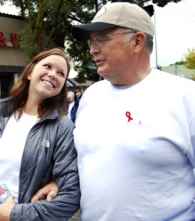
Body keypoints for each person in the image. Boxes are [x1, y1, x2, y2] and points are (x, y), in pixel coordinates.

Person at [72, 2, 195, 221]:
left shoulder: (186, 96)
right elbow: (85, 164)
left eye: (101, 38)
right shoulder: (91, 96)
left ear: (137, 41)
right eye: (91, 41)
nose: (92, 49)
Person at [0, 48, 80, 221]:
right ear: (29, 73)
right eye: (47, 66)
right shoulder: (1, 114)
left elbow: (70, 197)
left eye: (60, 73)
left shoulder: (62, 127)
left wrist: (14, 214)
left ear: (62, 86)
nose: (52, 74)